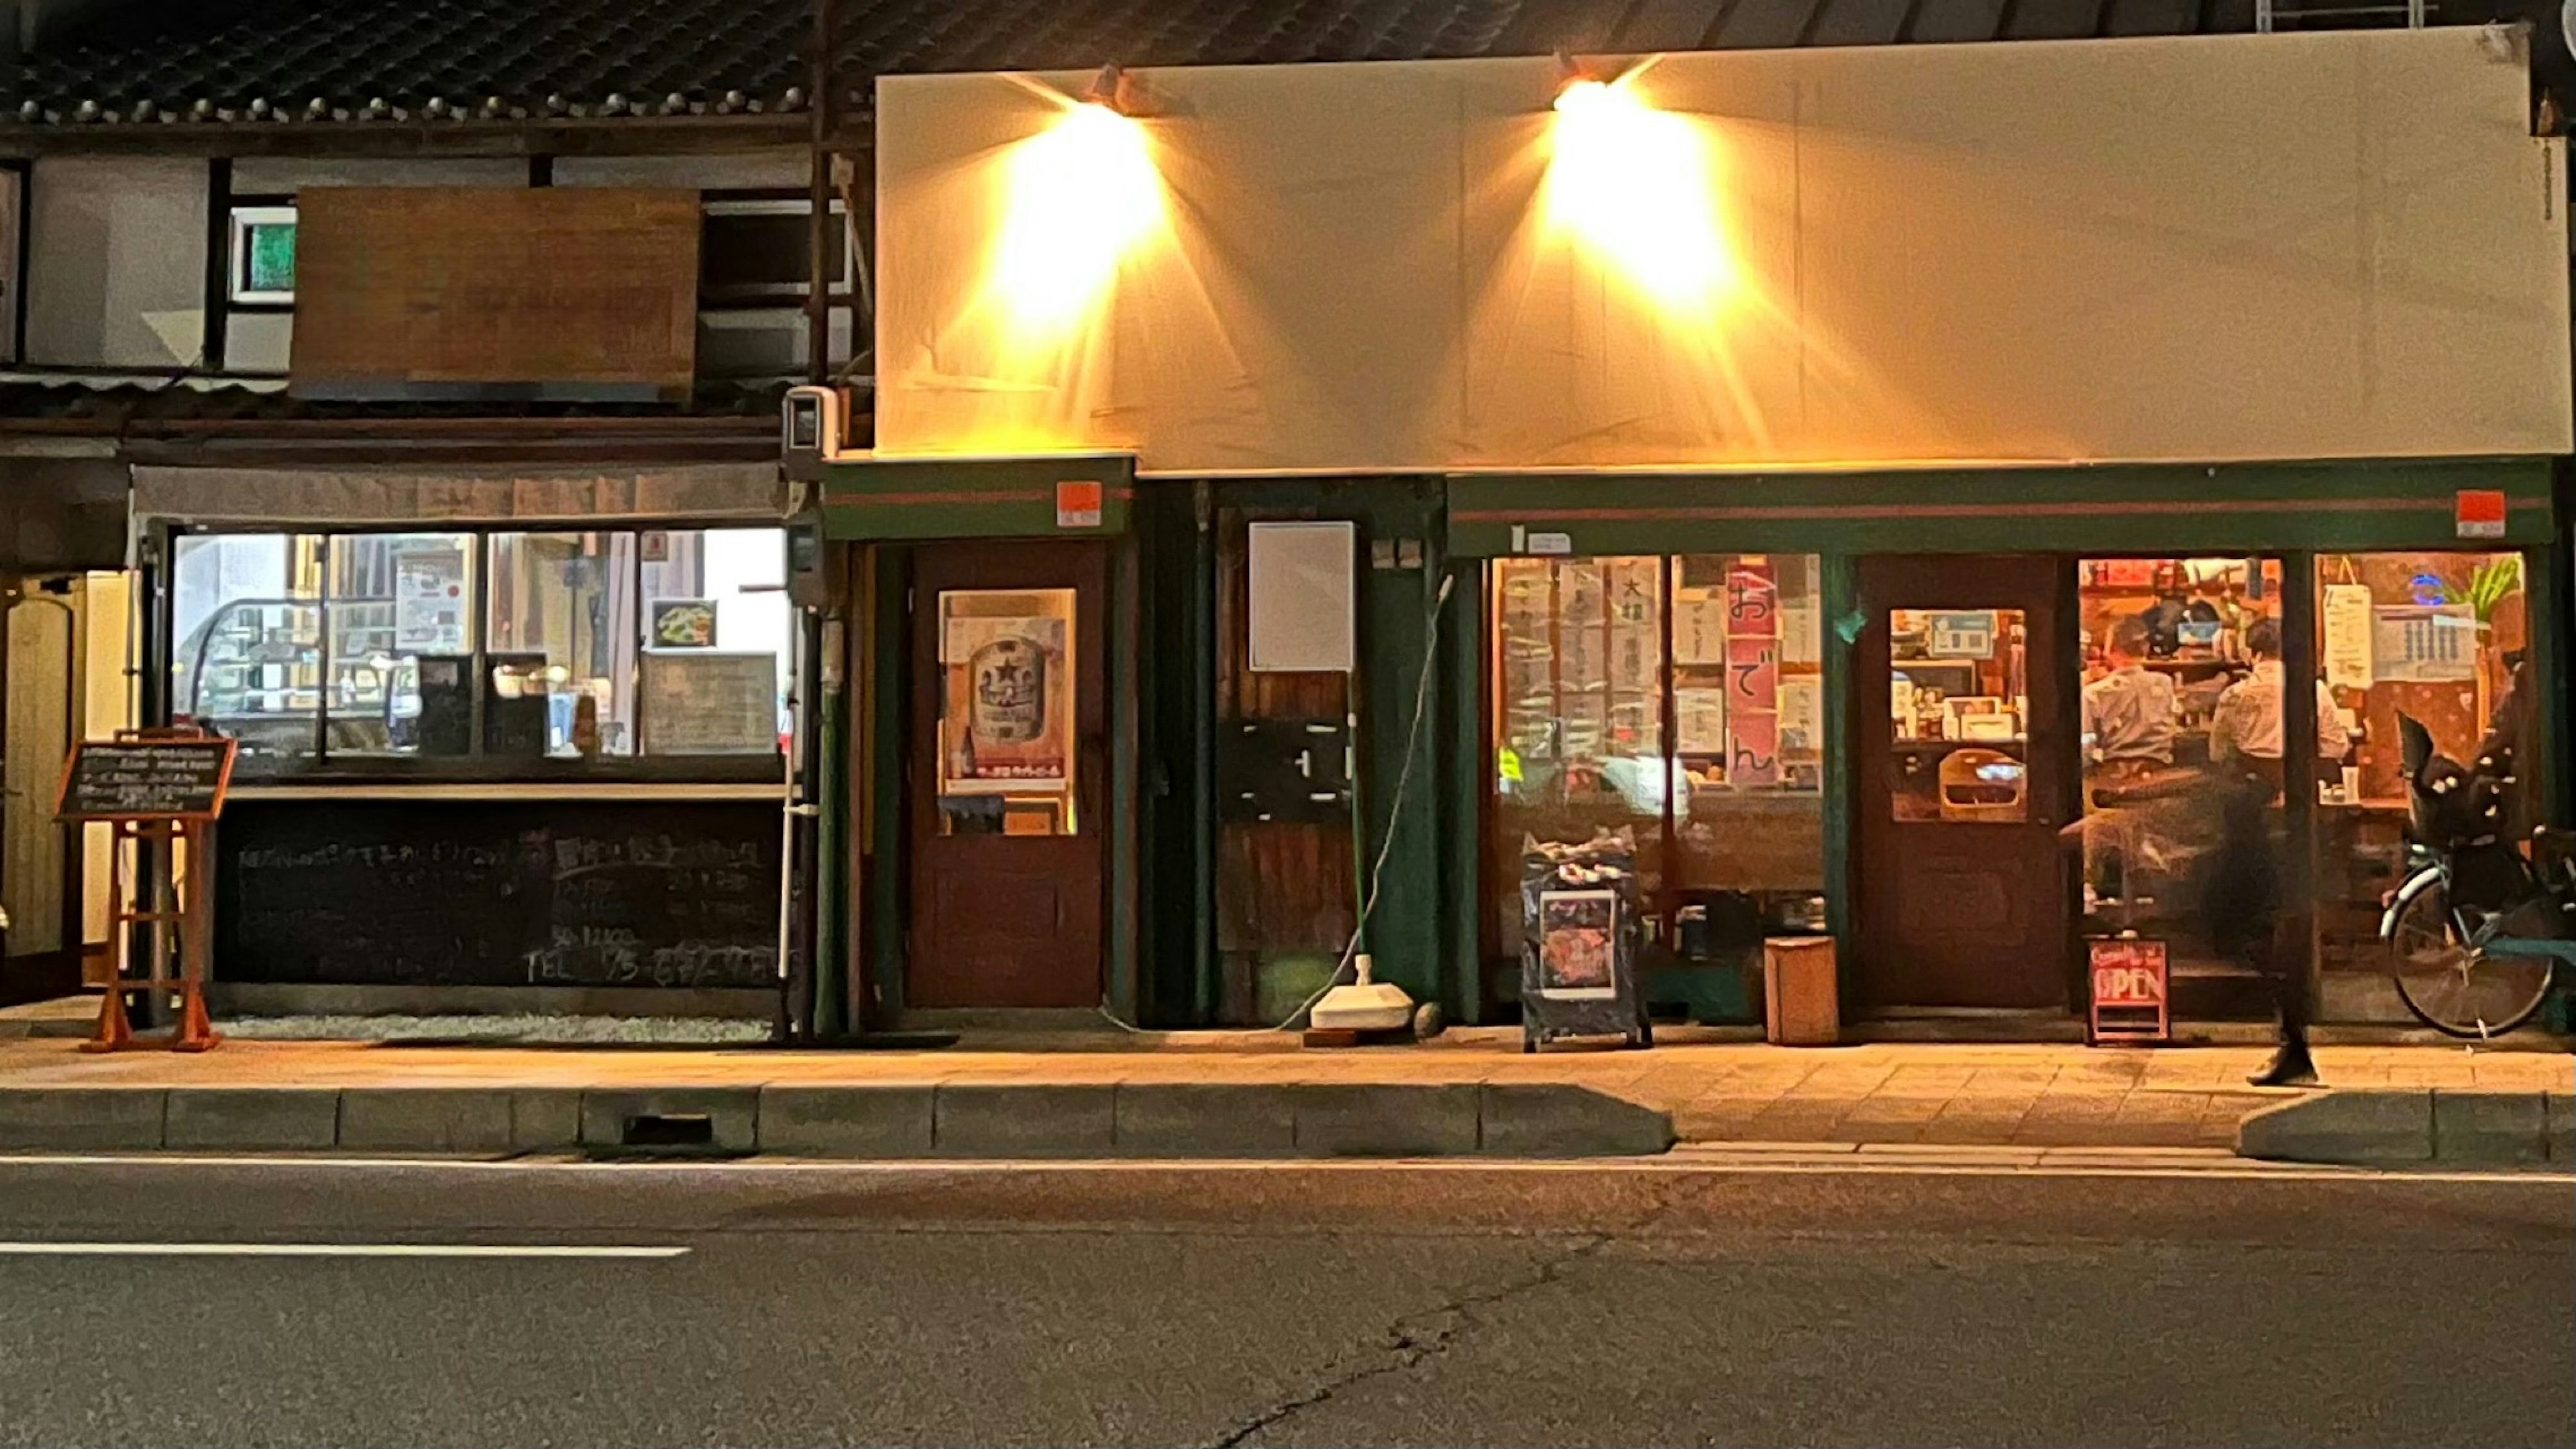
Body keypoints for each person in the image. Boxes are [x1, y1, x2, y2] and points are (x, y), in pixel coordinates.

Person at [2205, 618, 2349, 1087]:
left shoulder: (2237, 696)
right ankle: (2294, 1030)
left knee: (2247, 920)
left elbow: (2219, 755)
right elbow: (2336, 746)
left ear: (2251, 650)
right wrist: (2295, 772)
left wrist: (2260, 768)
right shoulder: (2316, 691)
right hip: (2300, 818)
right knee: (2288, 917)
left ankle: (2290, 1031)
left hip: (2251, 819)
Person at [2082, 616, 2178, 773]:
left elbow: (2086, 747)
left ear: (2110, 648)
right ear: (2145, 647)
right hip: (2160, 777)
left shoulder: (2093, 694)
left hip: (2113, 779)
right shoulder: (2165, 683)